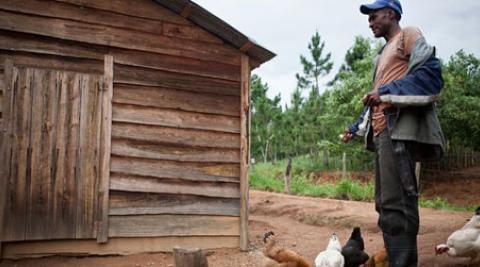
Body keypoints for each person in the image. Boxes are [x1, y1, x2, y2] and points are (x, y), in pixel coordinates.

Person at [342, 0, 445, 266]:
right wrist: (355, 129)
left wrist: (386, 92)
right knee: (386, 205)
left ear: (391, 13)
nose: (370, 22)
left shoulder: (408, 35)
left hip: (396, 130)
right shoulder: (382, 55)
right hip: (381, 133)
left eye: (373, 16)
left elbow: (431, 74)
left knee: (398, 203)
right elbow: (375, 99)